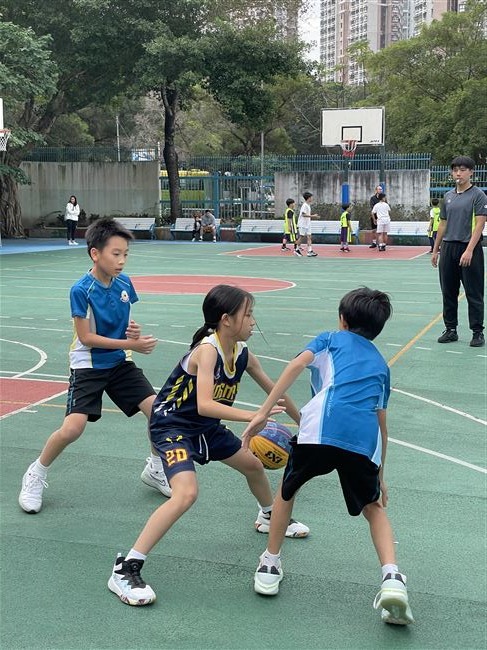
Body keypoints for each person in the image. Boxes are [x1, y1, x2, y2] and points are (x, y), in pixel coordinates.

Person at [108, 284, 310, 606]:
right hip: (172, 426)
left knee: (252, 465)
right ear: (226, 319)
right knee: (186, 493)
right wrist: (254, 416)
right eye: (248, 314)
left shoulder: (242, 353)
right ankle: (126, 568)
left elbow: (277, 394)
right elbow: (204, 404)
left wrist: (305, 425)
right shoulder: (207, 351)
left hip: (205, 427)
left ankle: (268, 516)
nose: (253, 321)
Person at [242, 287, 414, 626]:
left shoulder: (330, 339)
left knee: (287, 492)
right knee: (374, 508)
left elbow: (295, 365)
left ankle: (270, 564)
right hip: (362, 440)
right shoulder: (381, 365)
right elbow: (381, 421)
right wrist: (380, 474)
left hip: (321, 428)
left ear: (343, 319)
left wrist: (263, 411)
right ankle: (392, 578)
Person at [18, 218, 172, 514]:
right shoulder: (82, 290)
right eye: (116, 254)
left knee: (158, 412)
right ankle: (36, 472)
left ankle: (155, 468)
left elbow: (124, 320)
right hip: (88, 365)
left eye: (125, 254)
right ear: (95, 253)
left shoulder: (124, 283)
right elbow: (87, 338)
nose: (122, 260)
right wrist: (132, 344)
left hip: (119, 363)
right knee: (72, 429)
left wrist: (133, 332)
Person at [432, 155, 486, 348]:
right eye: (455, 170)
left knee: (474, 292)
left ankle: (477, 332)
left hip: (469, 248)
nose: (458, 173)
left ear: (471, 172)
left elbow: (480, 224)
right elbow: (442, 225)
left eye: (462, 170)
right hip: (448, 249)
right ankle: (451, 329)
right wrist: (436, 250)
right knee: (448, 291)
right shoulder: (448, 196)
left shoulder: (478, 196)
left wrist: (469, 250)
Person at [296, 192, 319, 257]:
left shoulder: (308, 205)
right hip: (302, 224)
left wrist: (312, 217)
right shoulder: (304, 205)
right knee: (301, 237)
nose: (312, 198)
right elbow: (303, 214)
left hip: (307, 224)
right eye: (311, 197)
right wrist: (313, 216)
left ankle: (309, 251)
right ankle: (297, 249)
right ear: (308, 198)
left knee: (309, 236)